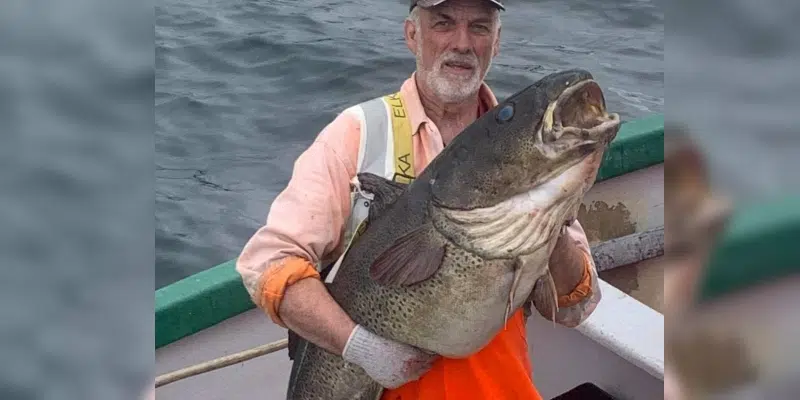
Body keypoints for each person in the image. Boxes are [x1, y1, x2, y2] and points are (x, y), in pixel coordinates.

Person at [236, 0, 603, 398]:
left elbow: (571, 306)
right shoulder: (356, 135)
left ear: (496, 42)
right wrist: (358, 345)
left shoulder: (531, 151)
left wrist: (553, 225)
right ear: (413, 34)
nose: (462, 43)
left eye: (479, 27)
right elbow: (269, 264)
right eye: (443, 23)